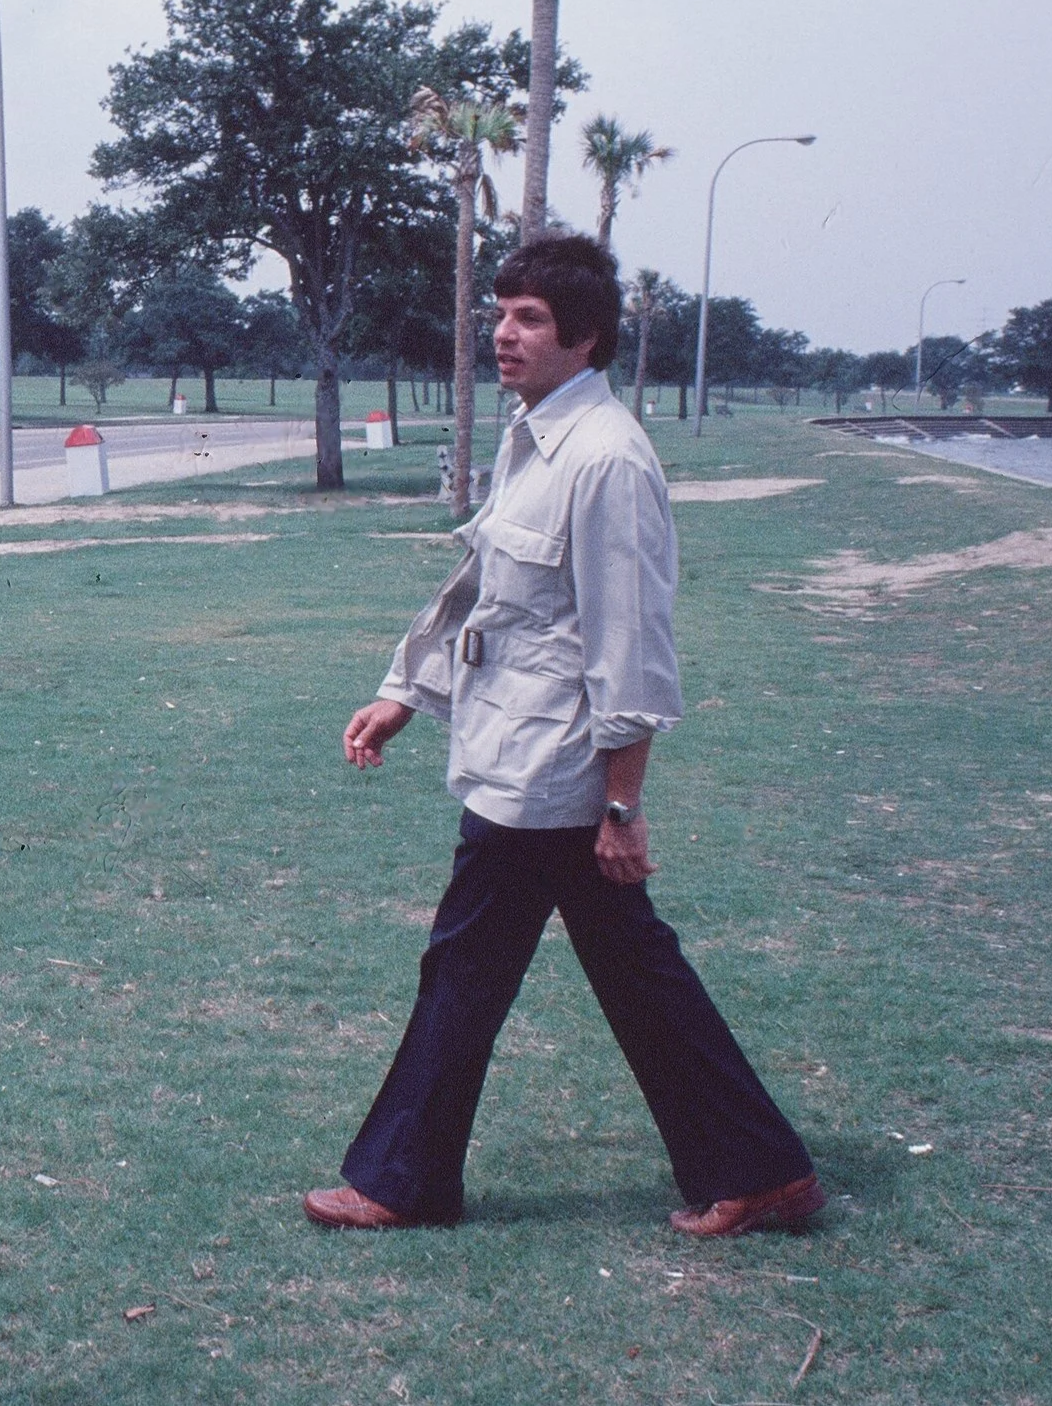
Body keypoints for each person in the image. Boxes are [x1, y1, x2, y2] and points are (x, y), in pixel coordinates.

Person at [301, 234, 822, 1238]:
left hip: (552, 774)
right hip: (516, 753)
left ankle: (403, 1179)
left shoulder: (607, 458)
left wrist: (621, 802)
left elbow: (629, 646)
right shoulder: (533, 432)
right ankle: (762, 1171)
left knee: (470, 962)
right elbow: (483, 589)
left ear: (583, 337)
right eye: (498, 312)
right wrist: (403, 690)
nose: (503, 333)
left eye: (528, 317)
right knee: (631, 967)